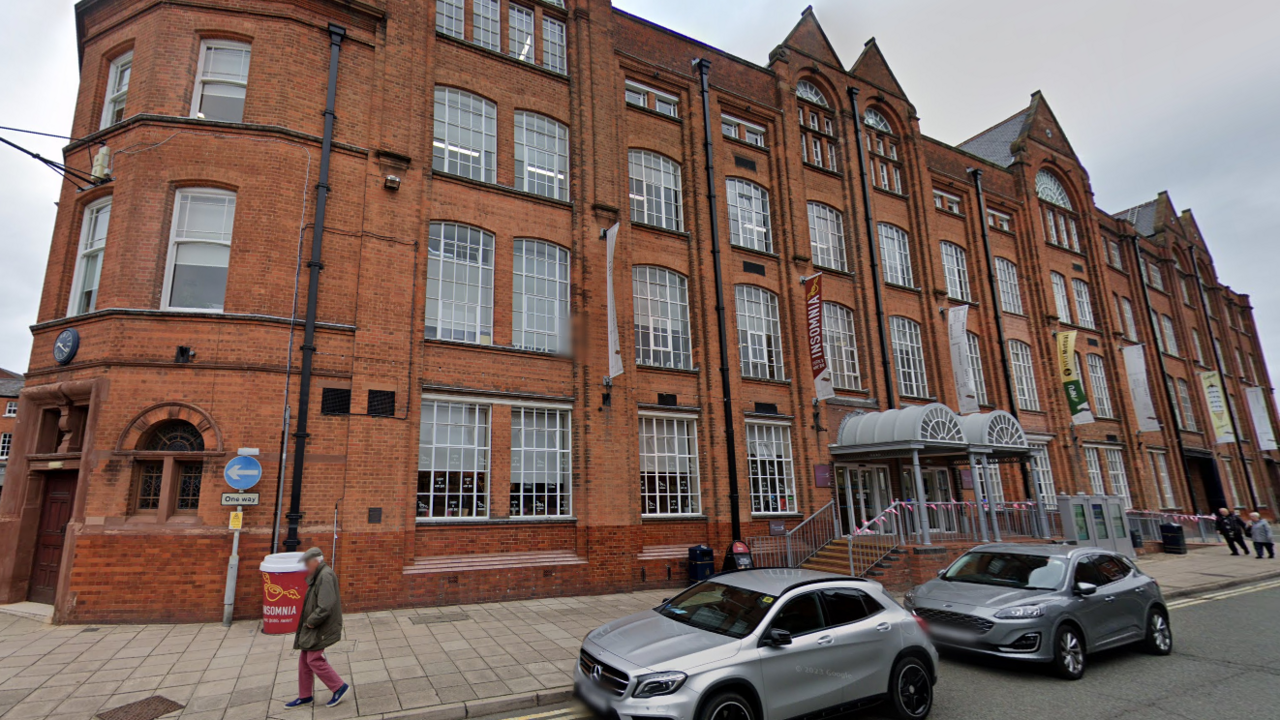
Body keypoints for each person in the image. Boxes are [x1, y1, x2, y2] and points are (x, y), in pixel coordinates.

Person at [285, 548, 350, 708]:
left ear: (316, 561)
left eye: (308, 563)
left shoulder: (325, 576)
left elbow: (326, 605)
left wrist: (311, 621)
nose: (306, 566)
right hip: (312, 625)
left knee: (314, 659)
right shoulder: (317, 575)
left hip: (320, 625)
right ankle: (305, 695)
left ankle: (338, 686)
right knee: (304, 660)